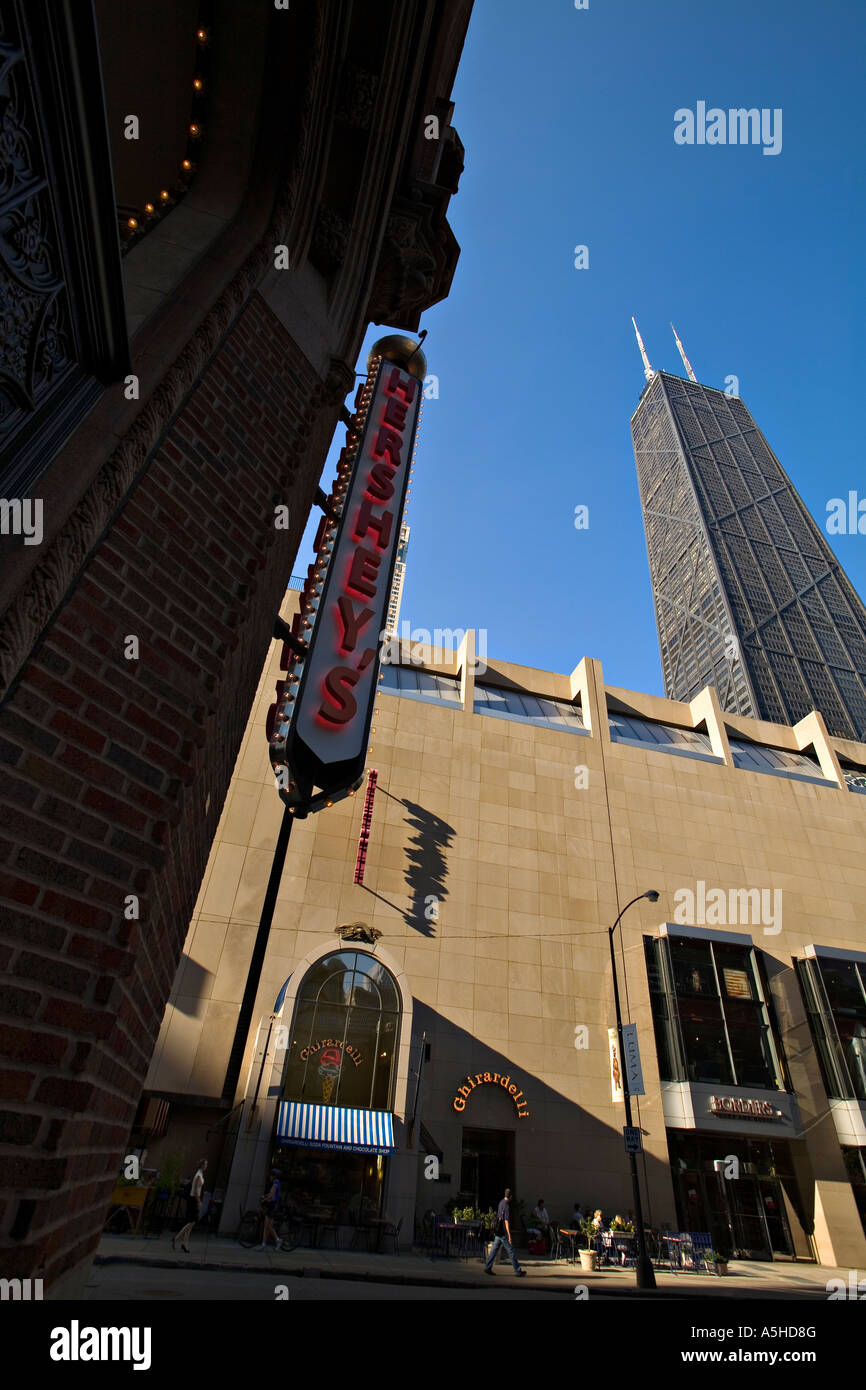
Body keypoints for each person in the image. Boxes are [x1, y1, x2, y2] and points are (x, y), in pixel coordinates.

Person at [483, 1187, 526, 1277]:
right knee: (511, 1251)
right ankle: (518, 1271)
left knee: (494, 1250)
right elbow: (506, 1221)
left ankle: (488, 1267)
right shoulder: (506, 1205)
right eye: (511, 1196)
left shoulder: (501, 1203)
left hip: (498, 1231)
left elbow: (499, 1216)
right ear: (510, 1196)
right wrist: (509, 1235)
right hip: (503, 1232)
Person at [173, 1158, 207, 1253]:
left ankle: (185, 1244)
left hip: (194, 1199)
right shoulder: (198, 1176)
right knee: (192, 1221)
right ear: (202, 1165)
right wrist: (198, 1201)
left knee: (191, 1223)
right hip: (193, 1200)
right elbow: (195, 1190)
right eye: (205, 1164)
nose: (206, 1166)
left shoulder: (200, 1174)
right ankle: (177, 1238)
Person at [256, 1168, 282, 1251]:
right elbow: (270, 1193)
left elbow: (272, 1195)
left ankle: (278, 1240)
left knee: (268, 1226)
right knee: (267, 1226)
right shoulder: (275, 1183)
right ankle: (264, 1244)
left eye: (271, 1175)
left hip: (273, 1205)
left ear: (274, 1176)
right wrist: (264, 1196)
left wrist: (265, 1199)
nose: (270, 1177)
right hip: (272, 1205)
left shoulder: (276, 1183)